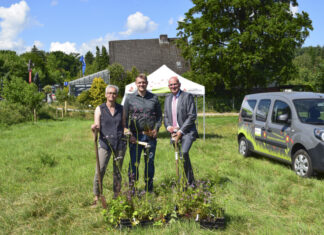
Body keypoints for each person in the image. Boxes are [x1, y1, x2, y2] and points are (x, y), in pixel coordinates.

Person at [123, 73, 162, 192]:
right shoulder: (129, 98)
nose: (141, 84)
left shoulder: (154, 98)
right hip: (135, 137)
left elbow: (159, 117)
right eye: (139, 82)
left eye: (143, 82)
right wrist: (128, 132)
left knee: (149, 163)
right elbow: (124, 118)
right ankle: (132, 189)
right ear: (136, 84)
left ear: (147, 83)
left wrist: (156, 129)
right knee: (134, 163)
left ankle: (149, 188)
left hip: (150, 136)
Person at [91, 85, 126, 205]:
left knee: (117, 171)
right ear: (106, 95)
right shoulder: (99, 109)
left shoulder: (121, 109)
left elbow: (124, 125)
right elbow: (97, 125)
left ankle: (117, 194)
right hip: (105, 143)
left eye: (114, 93)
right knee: (100, 170)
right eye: (109, 93)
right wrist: (94, 128)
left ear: (117, 95)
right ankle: (97, 195)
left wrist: (127, 132)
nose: (112, 95)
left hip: (120, 143)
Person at [164, 76, 198, 186]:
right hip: (174, 133)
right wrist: (168, 126)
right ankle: (185, 180)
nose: (173, 86)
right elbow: (166, 116)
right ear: (168, 87)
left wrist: (181, 131)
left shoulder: (187, 96)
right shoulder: (167, 98)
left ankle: (189, 182)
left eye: (175, 84)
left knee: (183, 153)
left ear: (179, 84)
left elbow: (192, 116)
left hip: (187, 131)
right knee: (178, 157)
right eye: (171, 85)